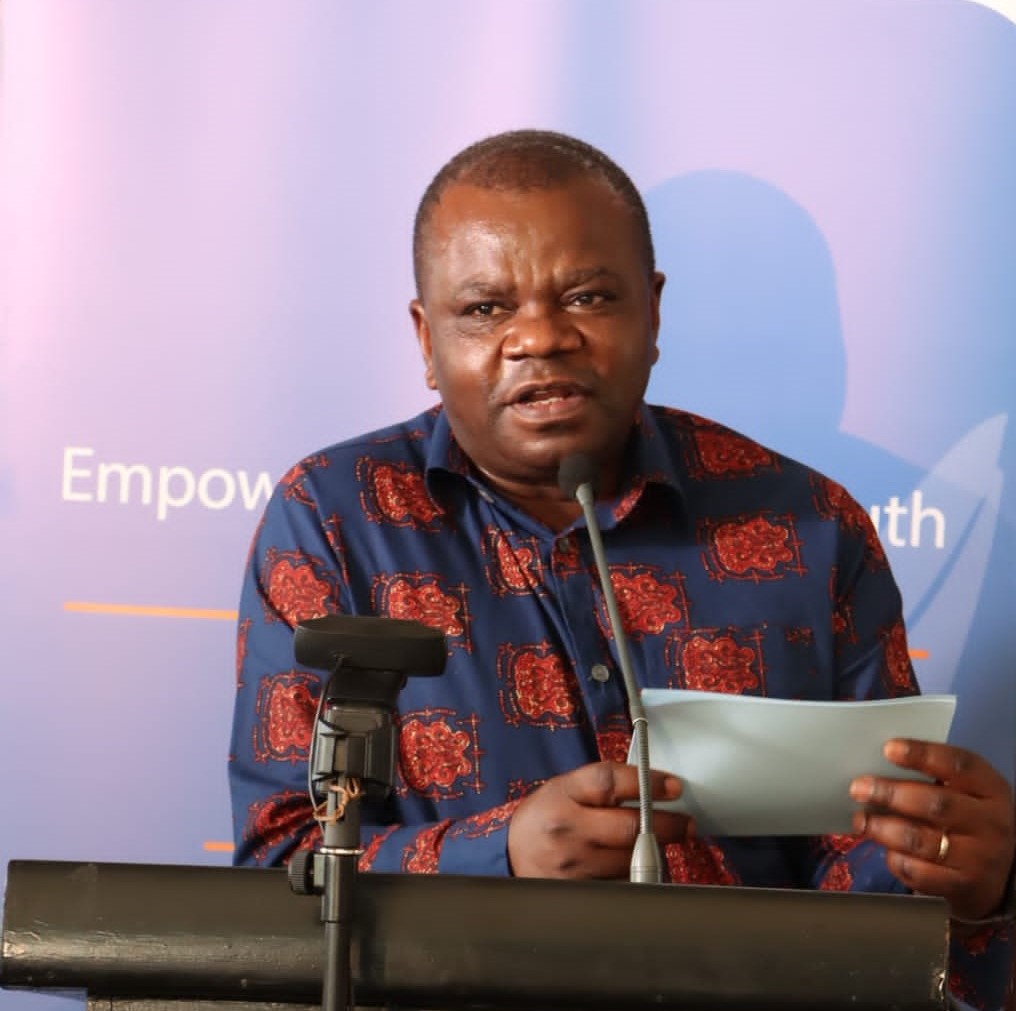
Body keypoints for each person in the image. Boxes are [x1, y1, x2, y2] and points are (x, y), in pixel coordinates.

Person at [229, 129, 1015, 1005]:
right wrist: (504, 854)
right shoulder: (334, 520)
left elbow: (873, 883)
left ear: (653, 310)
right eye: (485, 309)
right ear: (426, 337)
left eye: (588, 296)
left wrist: (971, 888)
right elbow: (280, 868)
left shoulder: (810, 529)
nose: (540, 337)